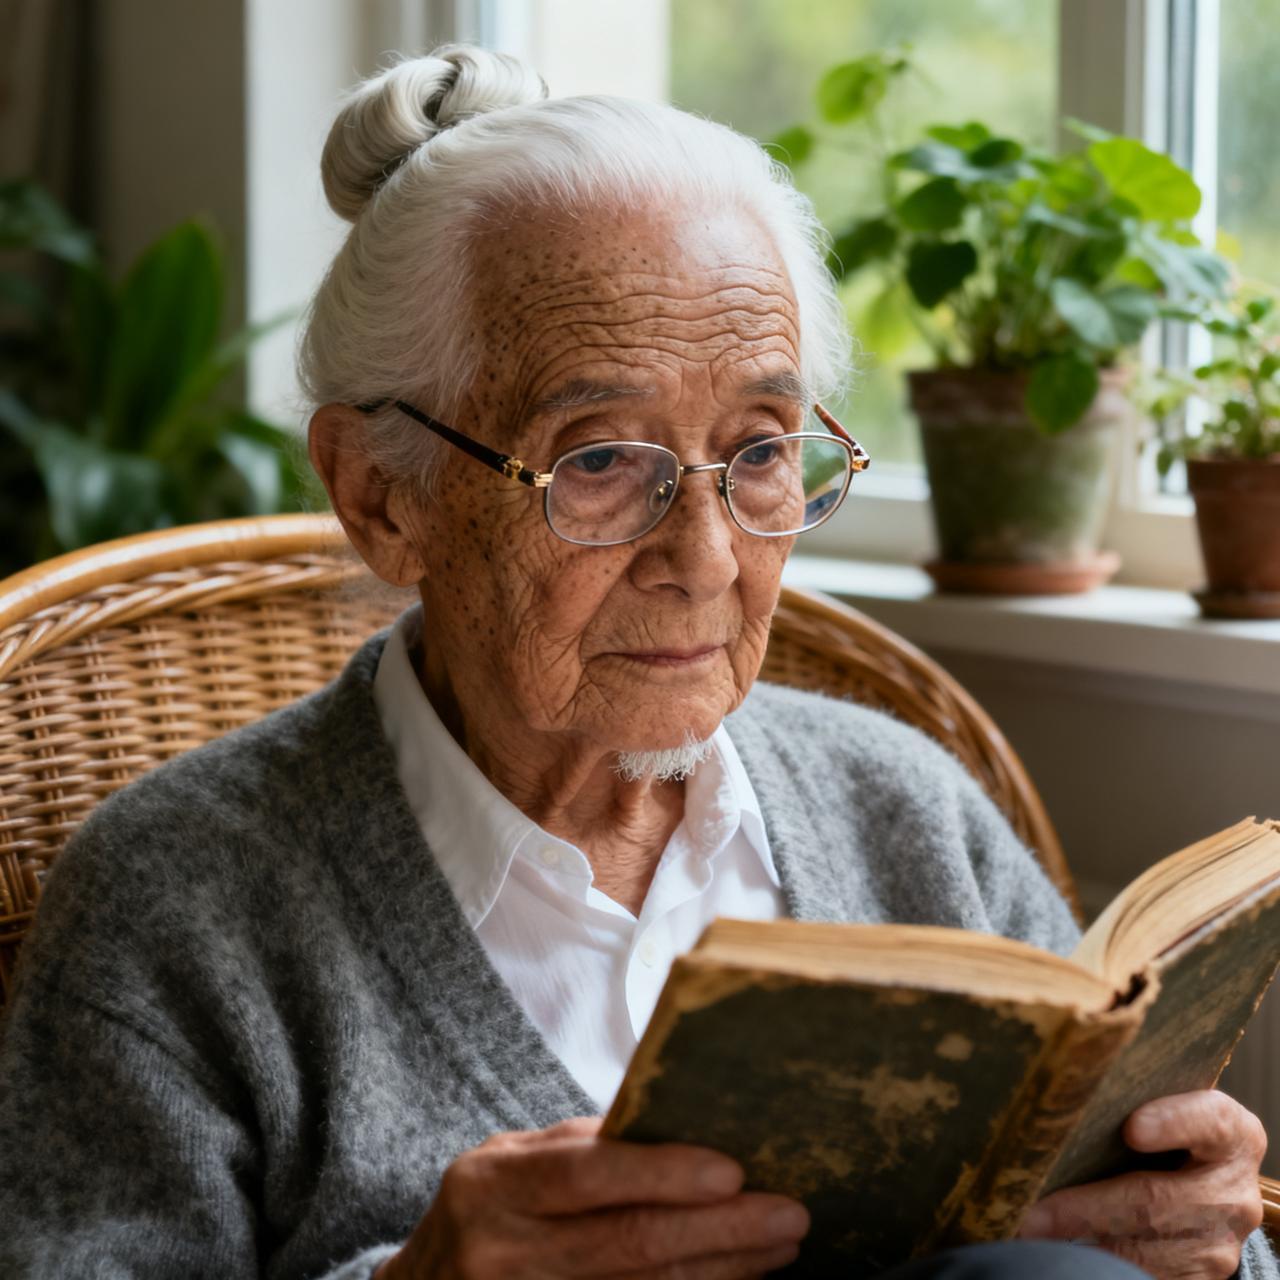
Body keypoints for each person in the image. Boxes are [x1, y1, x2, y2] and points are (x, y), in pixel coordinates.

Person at [0, 44, 1272, 1280]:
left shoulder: (905, 809)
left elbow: (1165, 1221)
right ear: (384, 495)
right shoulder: (176, 904)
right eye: (599, 459)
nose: (708, 557)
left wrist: (1202, 1240)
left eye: (761, 449)